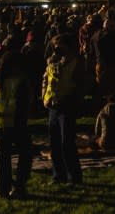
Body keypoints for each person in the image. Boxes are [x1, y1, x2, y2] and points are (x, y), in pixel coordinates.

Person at [0, 50, 34, 199]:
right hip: (15, 123)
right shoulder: (20, 81)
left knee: (2, 159)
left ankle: (2, 190)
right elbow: (24, 104)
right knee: (25, 154)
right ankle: (19, 186)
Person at [42, 33, 85, 184]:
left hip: (67, 104)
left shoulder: (75, 62)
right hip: (53, 105)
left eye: (60, 45)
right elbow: (46, 79)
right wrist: (45, 97)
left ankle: (74, 175)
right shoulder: (52, 61)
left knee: (67, 142)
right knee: (54, 143)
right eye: (55, 45)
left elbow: (81, 84)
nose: (57, 48)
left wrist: (74, 99)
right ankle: (58, 174)